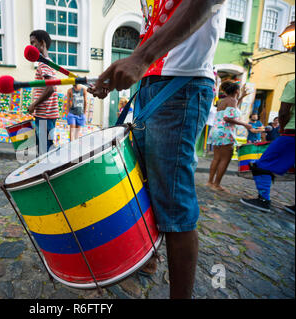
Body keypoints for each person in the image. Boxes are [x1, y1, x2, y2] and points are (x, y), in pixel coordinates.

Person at [89, 0, 226, 299]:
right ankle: (149, 254)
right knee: (146, 188)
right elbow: (157, 29)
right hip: (154, 83)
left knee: (174, 205)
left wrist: (142, 58)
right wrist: (128, 70)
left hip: (182, 84)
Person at [241, 79, 295, 214]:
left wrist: (282, 129)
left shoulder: (293, 83)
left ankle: (263, 200)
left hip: (292, 133)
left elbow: (283, 112)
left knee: (262, 164)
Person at [206, 81, 252, 192]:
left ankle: (210, 182)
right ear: (236, 90)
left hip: (217, 131)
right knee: (225, 159)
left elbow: (232, 109)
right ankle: (216, 184)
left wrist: (242, 97)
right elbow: (227, 117)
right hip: (225, 132)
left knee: (216, 158)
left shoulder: (224, 101)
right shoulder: (233, 101)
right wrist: (245, 124)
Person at [28, 30, 59, 155]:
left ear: (42, 43)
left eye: (33, 43)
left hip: (44, 115)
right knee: (47, 148)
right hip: (48, 114)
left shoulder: (43, 64)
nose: (31, 47)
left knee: (44, 151)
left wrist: (34, 104)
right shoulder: (49, 62)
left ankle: (46, 173)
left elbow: (50, 88)